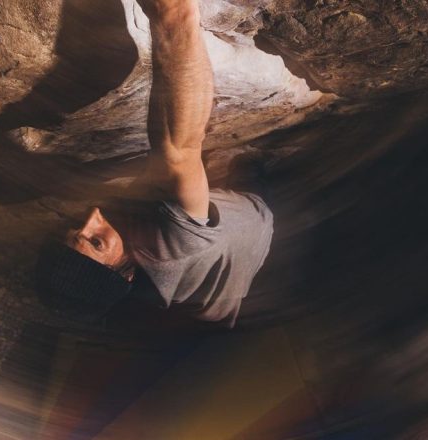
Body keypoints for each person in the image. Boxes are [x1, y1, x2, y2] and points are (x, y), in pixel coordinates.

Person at [37, 0, 273, 327]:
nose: (92, 217)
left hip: (220, 283)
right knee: (213, 169)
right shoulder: (171, 247)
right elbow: (180, 149)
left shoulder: (144, 263)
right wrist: (174, 16)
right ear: (128, 271)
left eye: (76, 229)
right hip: (256, 218)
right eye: (96, 240)